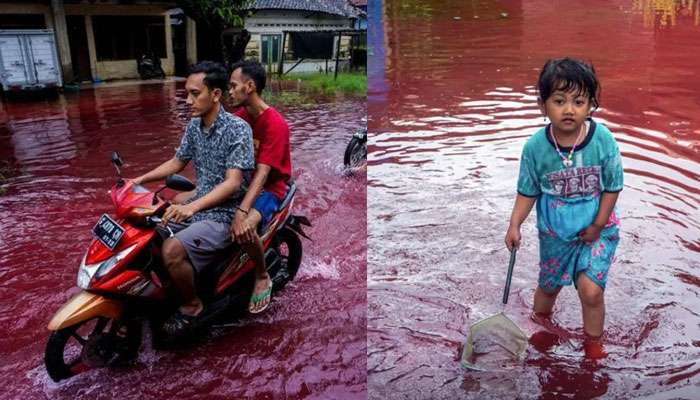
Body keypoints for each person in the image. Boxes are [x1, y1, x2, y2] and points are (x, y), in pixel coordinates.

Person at [504, 57, 624, 359]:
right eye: (559, 101)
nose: (569, 109)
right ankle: (540, 328)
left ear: (591, 105)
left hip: (597, 230)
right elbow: (527, 191)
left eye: (579, 101)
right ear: (543, 105)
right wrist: (515, 224)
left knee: (591, 291)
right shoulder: (535, 148)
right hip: (555, 234)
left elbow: (613, 186)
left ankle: (593, 345)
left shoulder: (602, 141)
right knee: (548, 288)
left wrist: (597, 225)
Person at [132, 61, 255, 335]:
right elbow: (177, 162)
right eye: (186, 93)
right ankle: (176, 288)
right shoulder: (194, 126)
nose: (188, 100)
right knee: (149, 234)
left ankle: (192, 305)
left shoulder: (238, 129)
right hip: (198, 205)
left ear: (216, 94)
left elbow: (233, 183)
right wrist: (138, 180)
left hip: (226, 213)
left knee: (171, 250)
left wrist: (191, 206)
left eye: (194, 93)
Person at [227, 60, 292, 314]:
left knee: (243, 229)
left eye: (233, 86)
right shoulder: (240, 118)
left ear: (250, 86)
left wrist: (243, 211)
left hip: (270, 189)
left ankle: (262, 274)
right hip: (244, 182)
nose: (230, 92)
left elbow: (264, 173)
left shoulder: (275, 124)